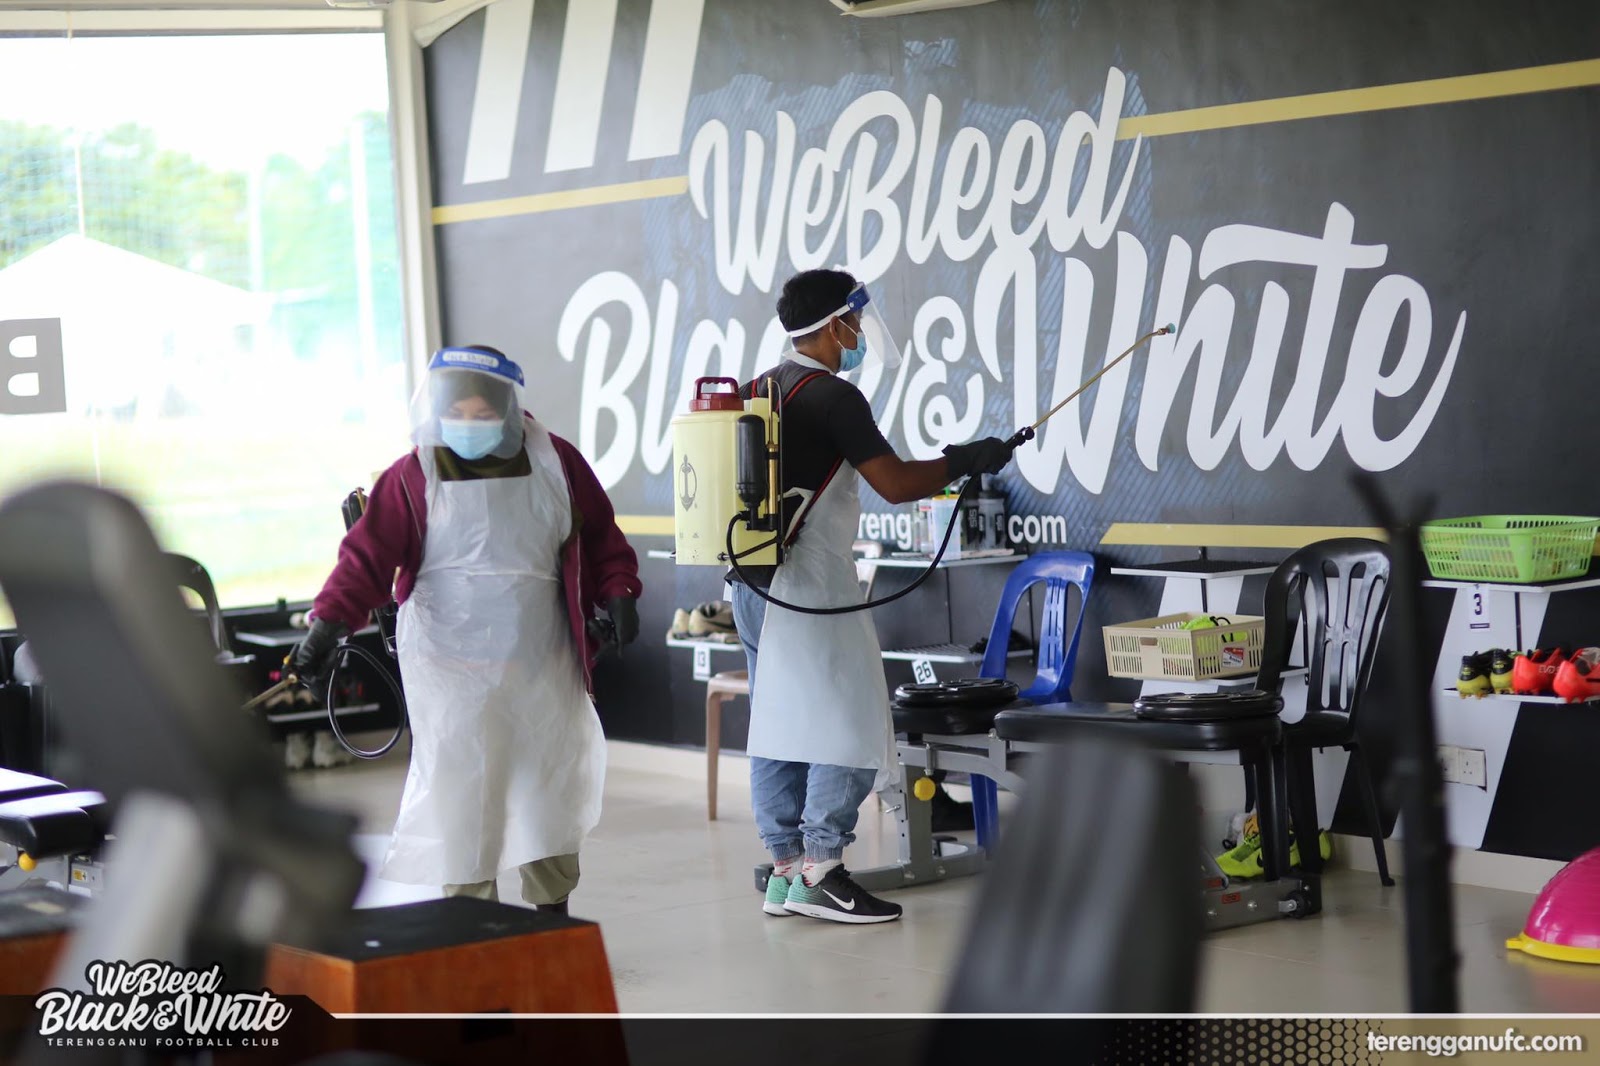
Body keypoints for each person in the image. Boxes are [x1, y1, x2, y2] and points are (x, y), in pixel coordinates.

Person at [292, 344, 642, 915]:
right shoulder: (413, 475)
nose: (470, 425)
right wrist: (325, 628)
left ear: (508, 409)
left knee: (546, 784)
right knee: (462, 792)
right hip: (449, 666)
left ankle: (552, 913)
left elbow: (603, 537)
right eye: (458, 412)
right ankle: (472, 918)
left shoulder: (558, 461)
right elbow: (367, 561)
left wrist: (619, 592)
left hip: (540, 657)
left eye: (484, 414)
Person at [730, 269, 1014, 924]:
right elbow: (894, 483)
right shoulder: (832, 398)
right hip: (807, 588)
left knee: (777, 725)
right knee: (849, 723)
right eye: (855, 321)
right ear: (835, 325)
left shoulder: (758, 388)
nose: (859, 334)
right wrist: (965, 459)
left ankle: (785, 870)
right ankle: (824, 869)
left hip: (749, 583)